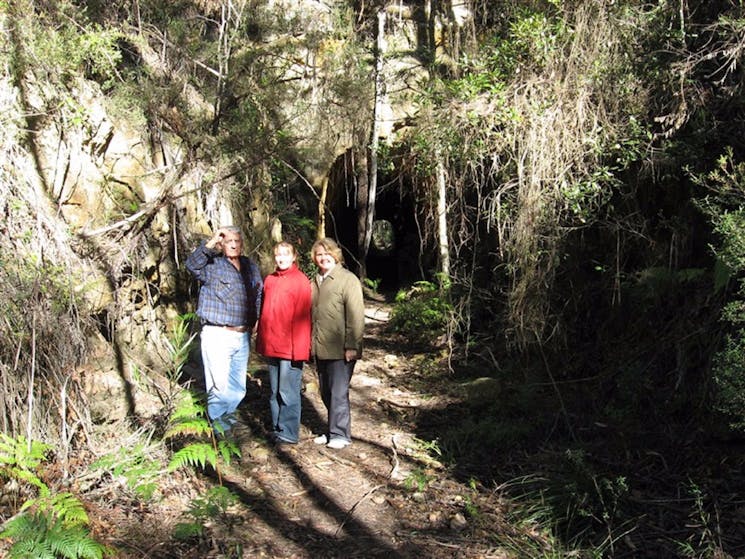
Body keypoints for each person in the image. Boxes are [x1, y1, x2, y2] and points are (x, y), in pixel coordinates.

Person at [185, 226, 263, 437]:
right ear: (221, 243)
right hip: (218, 334)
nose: (234, 244)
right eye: (229, 241)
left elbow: (257, 293)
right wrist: (211, 242)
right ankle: (221, 432)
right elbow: (191, 265)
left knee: (238, 387)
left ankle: (228, 423)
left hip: (242, 335)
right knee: (218, 386)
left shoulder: (249, 266)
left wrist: (255, 320)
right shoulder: (212, 265)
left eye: (237, 241)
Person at [310, 237, 364, 450]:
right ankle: (332, 429)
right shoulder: (315, 281)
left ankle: (340, 434)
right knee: (326, 391)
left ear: (336, 255)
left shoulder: (347, 280)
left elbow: (356, 315)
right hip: (320, 346)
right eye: (319, 254)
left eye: (327, 253)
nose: (323, 257)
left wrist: (352, 345)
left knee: (338, 392)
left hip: (341, 348)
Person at [256, 242, 312, 445]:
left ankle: (288, 432)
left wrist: (301, 350)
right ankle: (277, 427)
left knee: (287, 391)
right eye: (278, 254)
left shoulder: (301, 281)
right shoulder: (270, 280)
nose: (281, 258)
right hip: (272, 344)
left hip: (290, 348)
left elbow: (305, 318)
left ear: (294, 257)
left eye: (285, 254)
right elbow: (264, 312)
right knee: (273, 391)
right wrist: (261, 342)